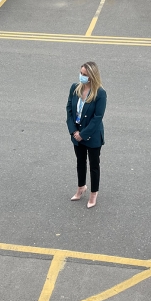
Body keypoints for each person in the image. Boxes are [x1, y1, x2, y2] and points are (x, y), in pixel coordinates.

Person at [66, 61, 106, 209]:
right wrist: (74, 131)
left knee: (94, 165)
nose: (81, 77)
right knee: (80, 162)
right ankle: (81, 187)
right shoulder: (74, 88)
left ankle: (93, 193)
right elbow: (69, 109)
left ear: (92, 77)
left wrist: (83, 134)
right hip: (77, 134)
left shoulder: (100, 93)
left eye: (85, 75)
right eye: (81, 73)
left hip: (92, 136)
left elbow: (98, 118)